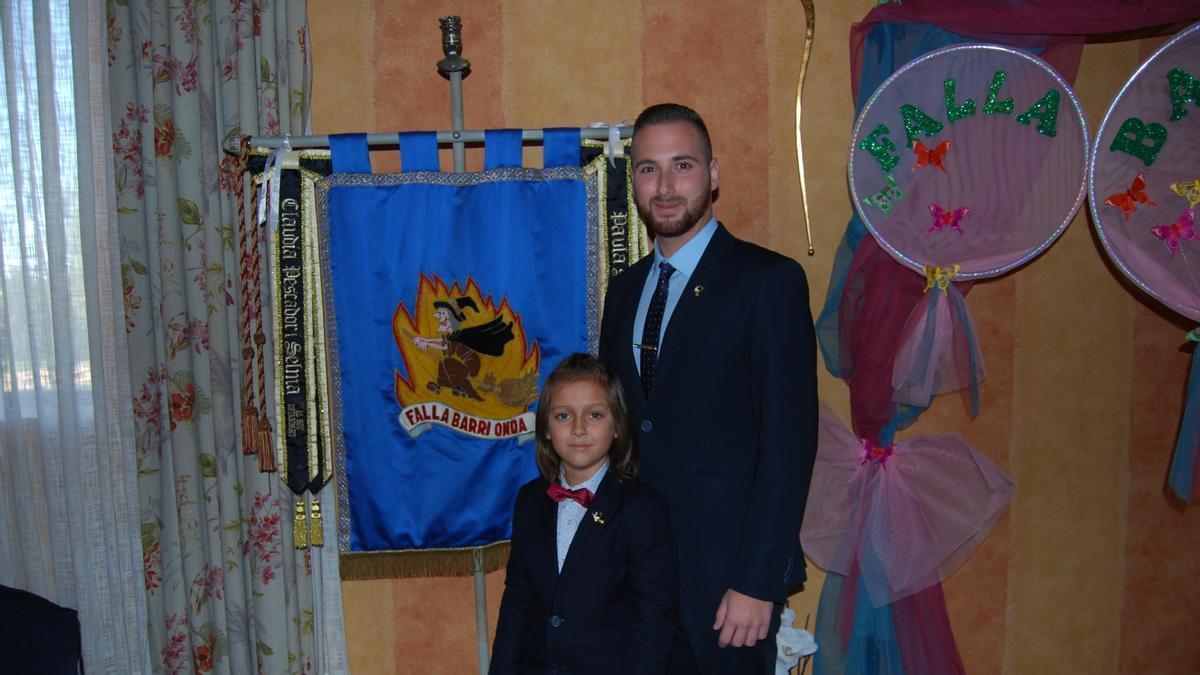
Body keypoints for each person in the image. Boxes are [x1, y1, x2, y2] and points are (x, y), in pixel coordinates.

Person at [598, 103, 818, 674]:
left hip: (729, 591)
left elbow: (789, 446)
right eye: (648, 169)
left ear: (714, 174)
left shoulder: (768, 282)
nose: (665, 186)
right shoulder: (621, 295)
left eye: (683, 165)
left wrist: (757, 582)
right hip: (639, 585)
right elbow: (620, 435)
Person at [490, 353, 678, 675]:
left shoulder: (643, 509)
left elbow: (654, 619)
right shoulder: (530, 501)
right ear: (546, 428)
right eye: (563, 416)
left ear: (618, 425)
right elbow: (518, 599)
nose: (578, 429)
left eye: (594, 415)